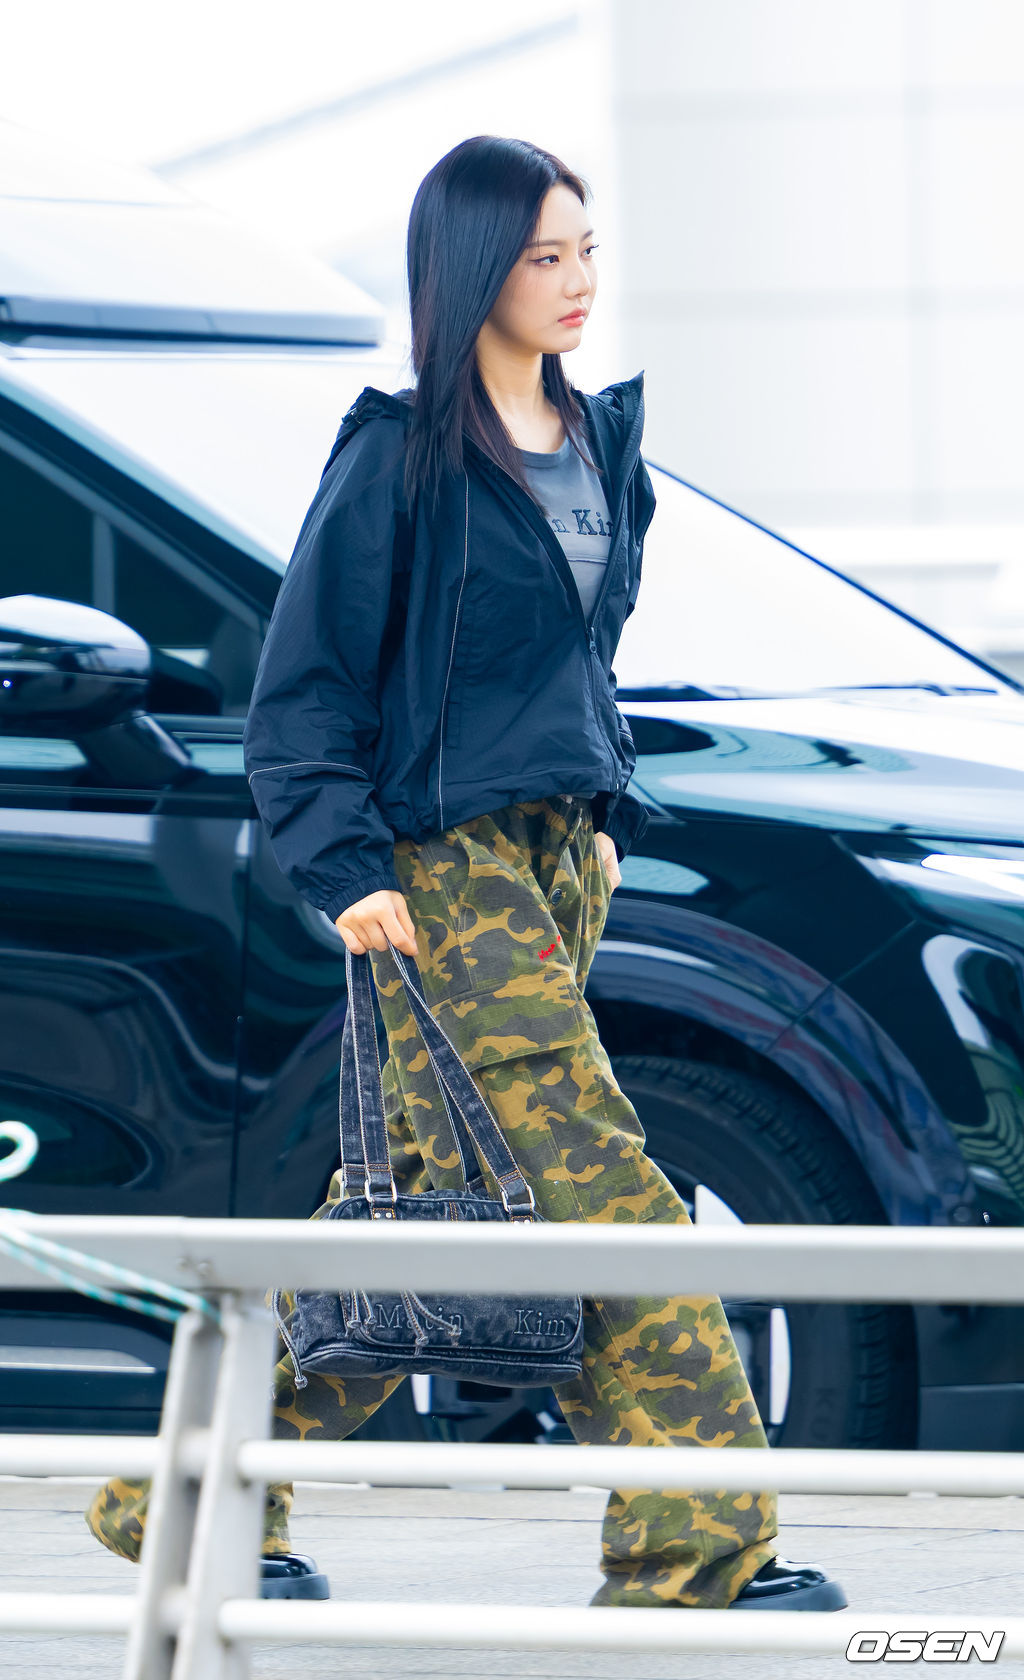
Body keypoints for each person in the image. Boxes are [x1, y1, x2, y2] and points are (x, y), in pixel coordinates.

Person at [86, 134, 847, 1613]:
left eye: (586, 250)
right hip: (441, 873)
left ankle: (168, 1500)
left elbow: (577, 660)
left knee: (421, 1210)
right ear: (473, 267)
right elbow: (304, 688)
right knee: (607, 1187)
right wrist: (343, 868)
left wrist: (607, 812)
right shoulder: (401, 456)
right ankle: (697, 1551)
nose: (576, 281)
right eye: (543, 255)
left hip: (560, 859)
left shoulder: (598, 442)